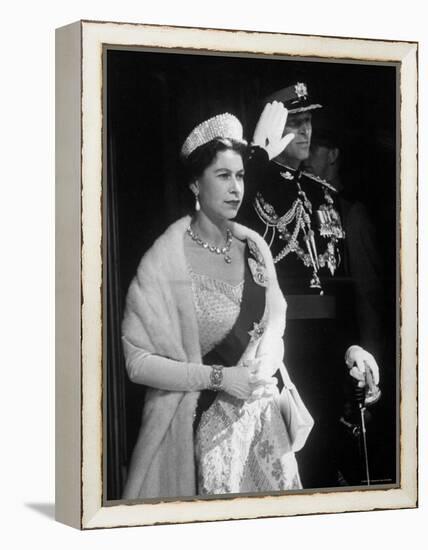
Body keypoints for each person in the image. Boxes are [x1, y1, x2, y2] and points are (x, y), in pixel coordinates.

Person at [121, 109, 308, 499]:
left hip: (264, 427)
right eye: (223, 176)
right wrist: (223, 379)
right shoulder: (166, 260)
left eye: (240, 175)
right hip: (199, 432)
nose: (235, 188)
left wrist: (267, 361)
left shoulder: (254, 246)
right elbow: (137, 361)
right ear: (195, 184)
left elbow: (276, 322)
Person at [239, 83, 381, 488]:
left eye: (309, 122)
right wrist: (255, 160)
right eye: (294, 123)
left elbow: (340, 284)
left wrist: (355, 345)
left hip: (328, 351)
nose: (305, 132)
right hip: (279, 352)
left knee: (332, 466)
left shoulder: (323, 196)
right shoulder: (252, 185)